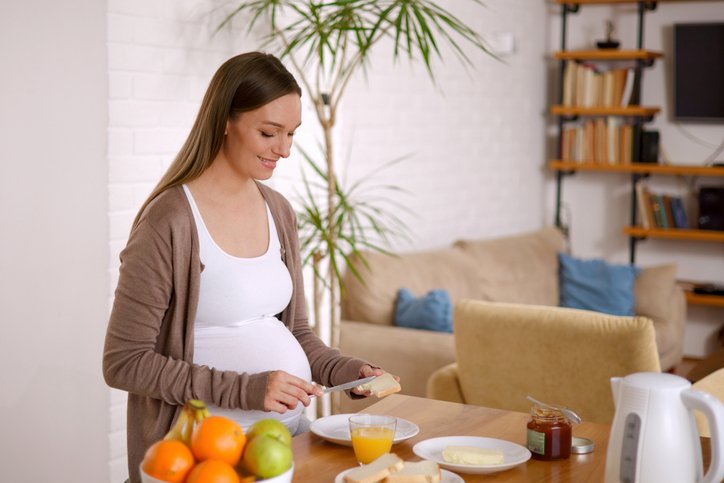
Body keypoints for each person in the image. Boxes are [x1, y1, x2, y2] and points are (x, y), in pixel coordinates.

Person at [103, 51, 395, 483]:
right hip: (205, 456)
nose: (285, 150)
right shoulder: (171, 220)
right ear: (225, 119)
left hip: (287, 441)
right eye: (269, 132)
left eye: (292, 134)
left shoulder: (277, 210)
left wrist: (345, 370)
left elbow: (296, 333)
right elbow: (124, 362)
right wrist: (246, 389)